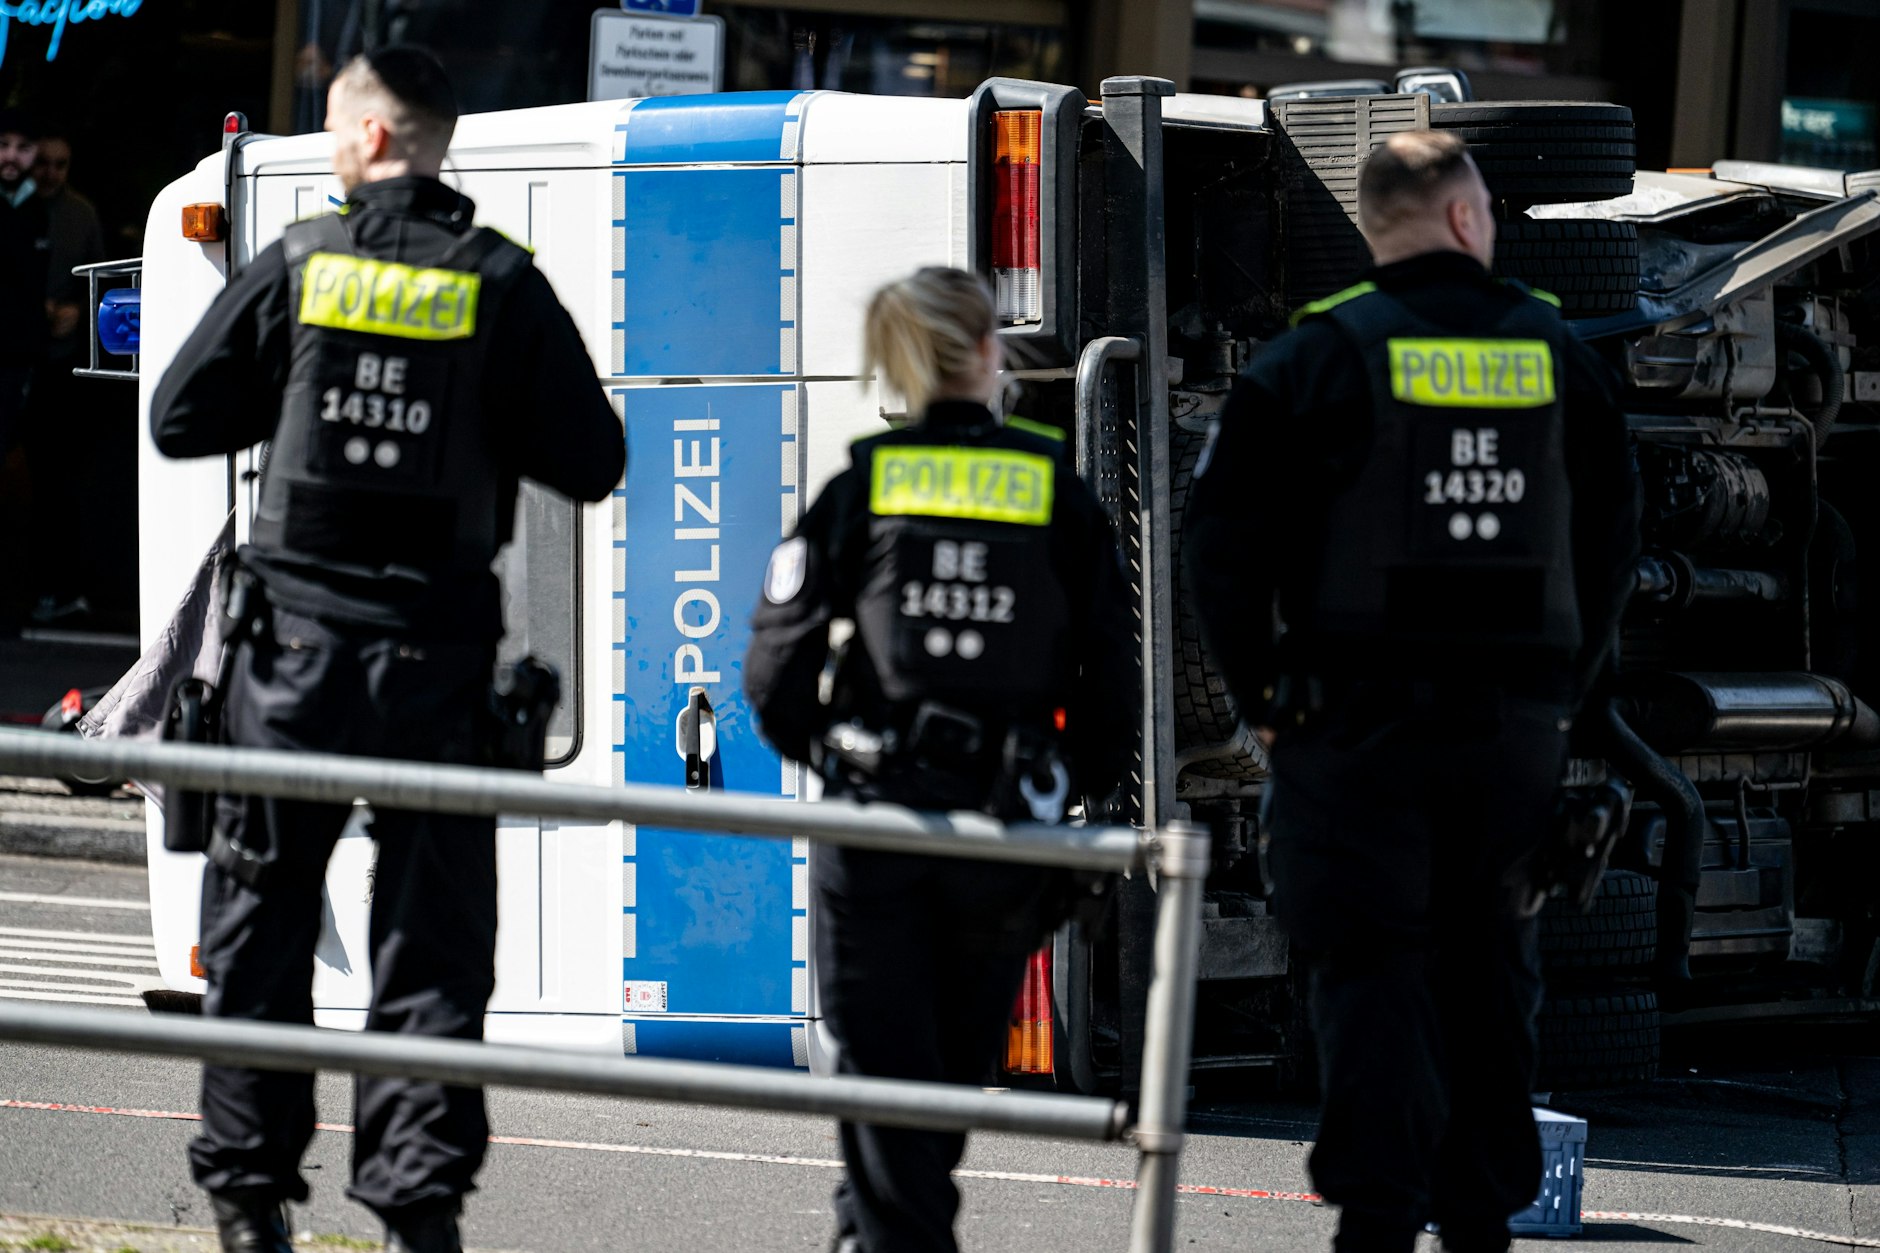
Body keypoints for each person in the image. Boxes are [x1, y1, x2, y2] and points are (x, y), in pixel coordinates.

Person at [149, 47, 625, 1253]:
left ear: (362, 140)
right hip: (437, 671)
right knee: (429, 947)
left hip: (291, 665)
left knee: (259, 930)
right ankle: (417, 1216)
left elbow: (181, 415)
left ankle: (249, 1207)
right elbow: (594, 460)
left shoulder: (303, 265)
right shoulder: (501, 282)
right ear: (436, 140)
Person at [1183, 130, 1639, 1253]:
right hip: (1509, 731)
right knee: (1489, 970)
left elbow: (1219, 549)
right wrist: (1562, 694)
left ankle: (1376, 1223)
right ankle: (1478, 1217)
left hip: (1348, 727)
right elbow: (1614, 538)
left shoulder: (1314, 358)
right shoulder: (1554, 352)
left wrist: (1265, 703)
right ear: (1459, 219)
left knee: (1367, 973)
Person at [744, 267, 1134, 1253]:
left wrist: (833, 755)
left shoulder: (858, 488)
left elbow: (772, 673)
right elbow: (1114, 684)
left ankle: (882, 1238)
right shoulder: (1057, 492)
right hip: (1002, 831)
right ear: (991, 355)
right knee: (948, 1076)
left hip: (875, 820)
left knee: (884, 1075)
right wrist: (1060, 789)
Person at [26, 132, 110, 624]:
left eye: (61, 164)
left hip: (60, 360)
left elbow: (99, 278)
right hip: (20, 353)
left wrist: (78, 311)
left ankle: (57, 589)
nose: (50, 173)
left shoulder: (81, 213)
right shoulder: (16, 210)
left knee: (57, 479)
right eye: (44, 163)